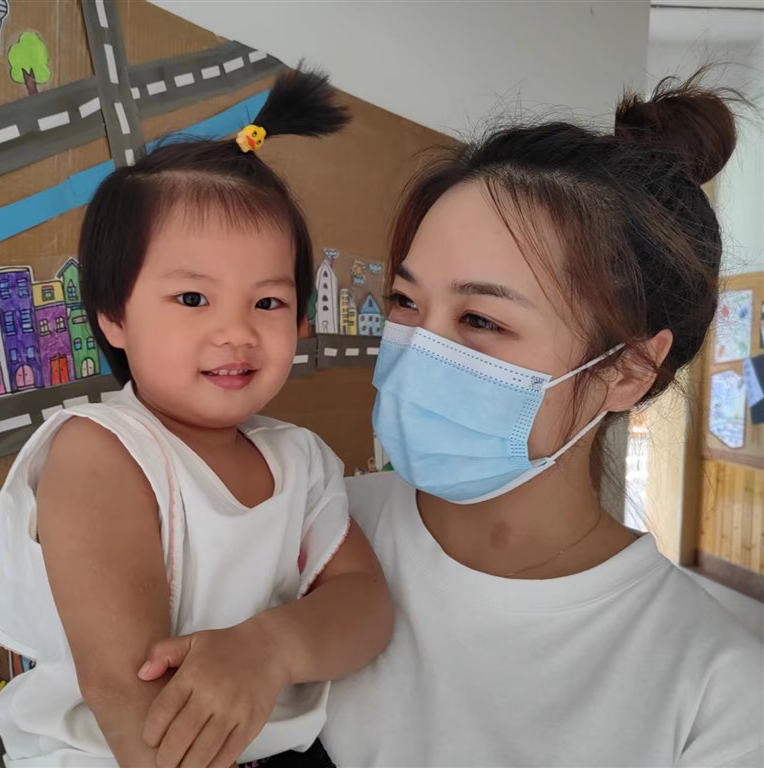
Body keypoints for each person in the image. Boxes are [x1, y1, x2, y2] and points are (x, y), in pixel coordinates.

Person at [323, 73, 764, 766]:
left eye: (480, 319)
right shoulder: (311, 523)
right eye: (406, 303)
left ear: (628, 370)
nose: (416, 352)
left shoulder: (719, 692)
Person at [0, 69, 393, 768]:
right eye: (194, 299)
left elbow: (366, 605)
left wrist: (272, 647)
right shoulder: (100, 451)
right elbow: (129, 698)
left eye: (267, 303)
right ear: (113, 315)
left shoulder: (300, 458)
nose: (237, 332)